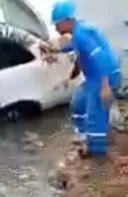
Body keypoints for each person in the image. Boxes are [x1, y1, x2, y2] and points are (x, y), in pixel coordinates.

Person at [47, 0, 122, 156]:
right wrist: (54, 52)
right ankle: (84, 138)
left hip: (104, 77)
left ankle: (97, 154)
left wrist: (105, 86)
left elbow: (100, 59)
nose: (55, 28)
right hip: (94, 78)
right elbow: (80, 56)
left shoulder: (82, 34)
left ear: (67, 21)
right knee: (78, 104)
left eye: (57, 24)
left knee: (96, 114)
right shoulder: (78, 33)